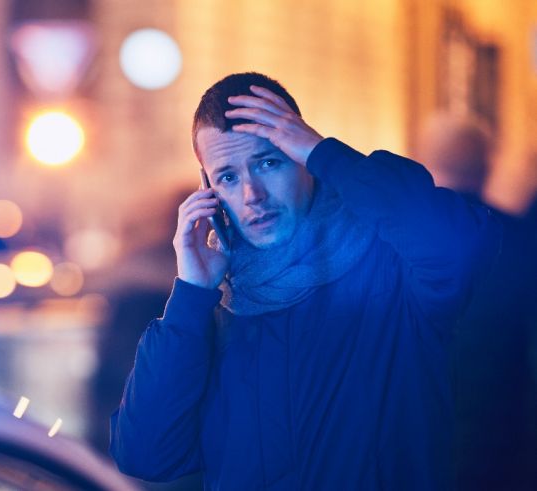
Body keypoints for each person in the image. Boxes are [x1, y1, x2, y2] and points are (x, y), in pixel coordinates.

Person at [109, 72, 501, 490]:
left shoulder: (390, 270)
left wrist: (325, 154)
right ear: (207, 189)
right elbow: (145, 453)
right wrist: (191, 294)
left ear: (304, 161)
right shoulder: (214, 311)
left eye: (269, 162)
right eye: (227, 177)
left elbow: (457, 243)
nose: (251, 194)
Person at [418, 114, 537, 490]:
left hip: (414, 449)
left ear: (419, 163)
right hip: (505, 448)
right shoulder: (522, 242)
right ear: (487, 167)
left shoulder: (385, 247)